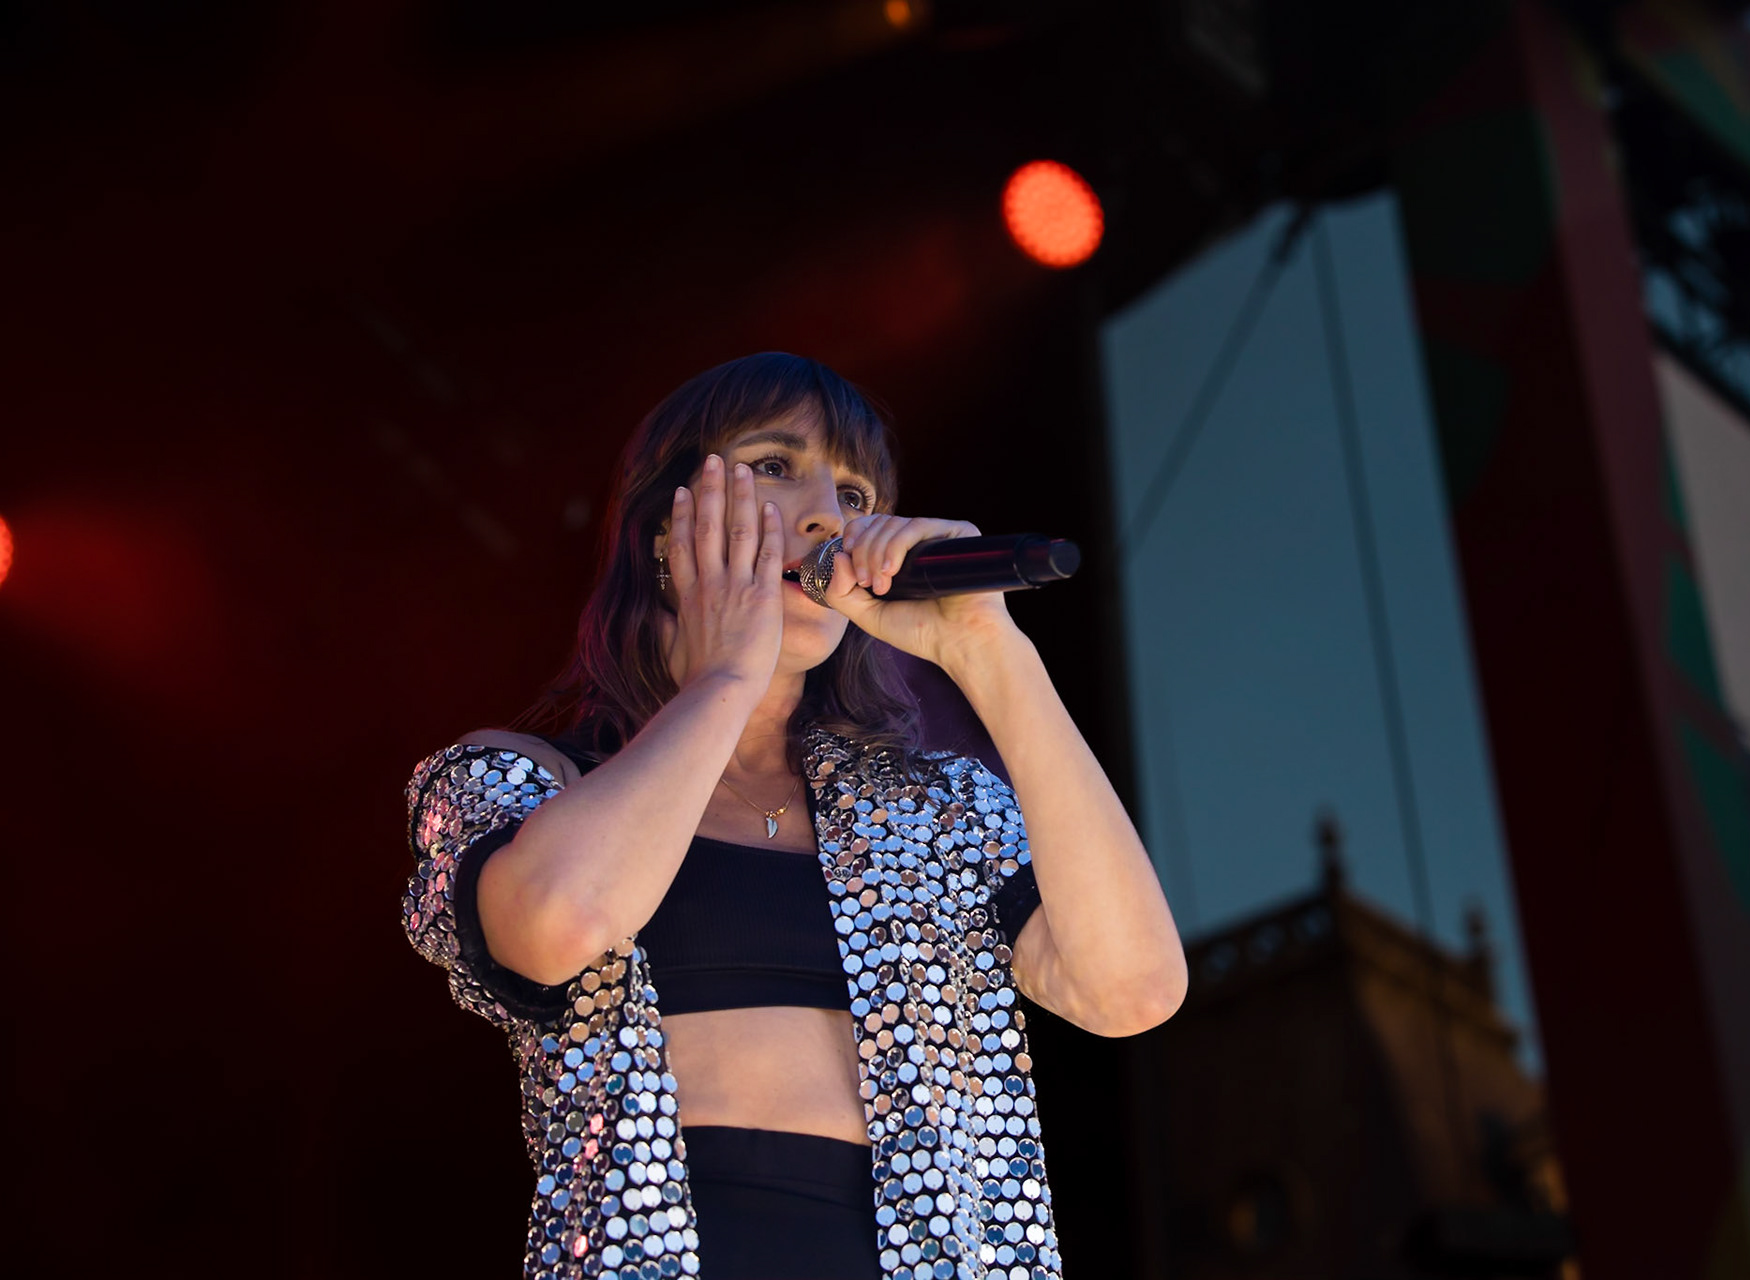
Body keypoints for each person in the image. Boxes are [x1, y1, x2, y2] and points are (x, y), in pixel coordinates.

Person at [402, 353, 1187, 1280]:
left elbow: (1130, 991)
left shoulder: (935, 807)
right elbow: (559, 921)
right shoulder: (524, 779)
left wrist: (993, 655)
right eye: (776, 466)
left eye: (856, 494)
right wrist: (730, 671)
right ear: (666, 527)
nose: (830, 516)